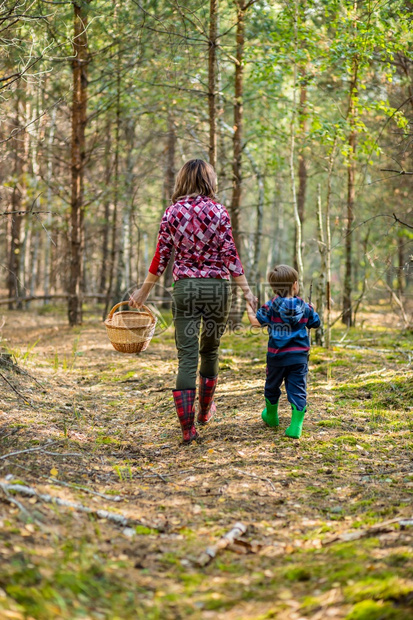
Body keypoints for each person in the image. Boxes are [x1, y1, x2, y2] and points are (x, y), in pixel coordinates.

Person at [129, 159, 257, 444]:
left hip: (185, 288)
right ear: (209, 181)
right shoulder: (219, 212)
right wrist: (248, 293)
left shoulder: (172, 213)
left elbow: (161, 257)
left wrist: (143, 292)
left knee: (186, 357)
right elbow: (231, 257)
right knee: (210, 352)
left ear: (183, 180)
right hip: (217, 290)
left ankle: (188, 430)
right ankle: (204, 412)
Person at [246, 264, 320, 439]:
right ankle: (295, 427)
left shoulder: (271, 305)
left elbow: (255, 322)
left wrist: (250, 306)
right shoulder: (304, 306)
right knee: (298, 389)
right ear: (295, 285)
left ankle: (271, 416)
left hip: (276, 357)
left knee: (272, 386)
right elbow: (315, 323)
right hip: (299, 358)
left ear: (273, 288)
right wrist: (312, 309)